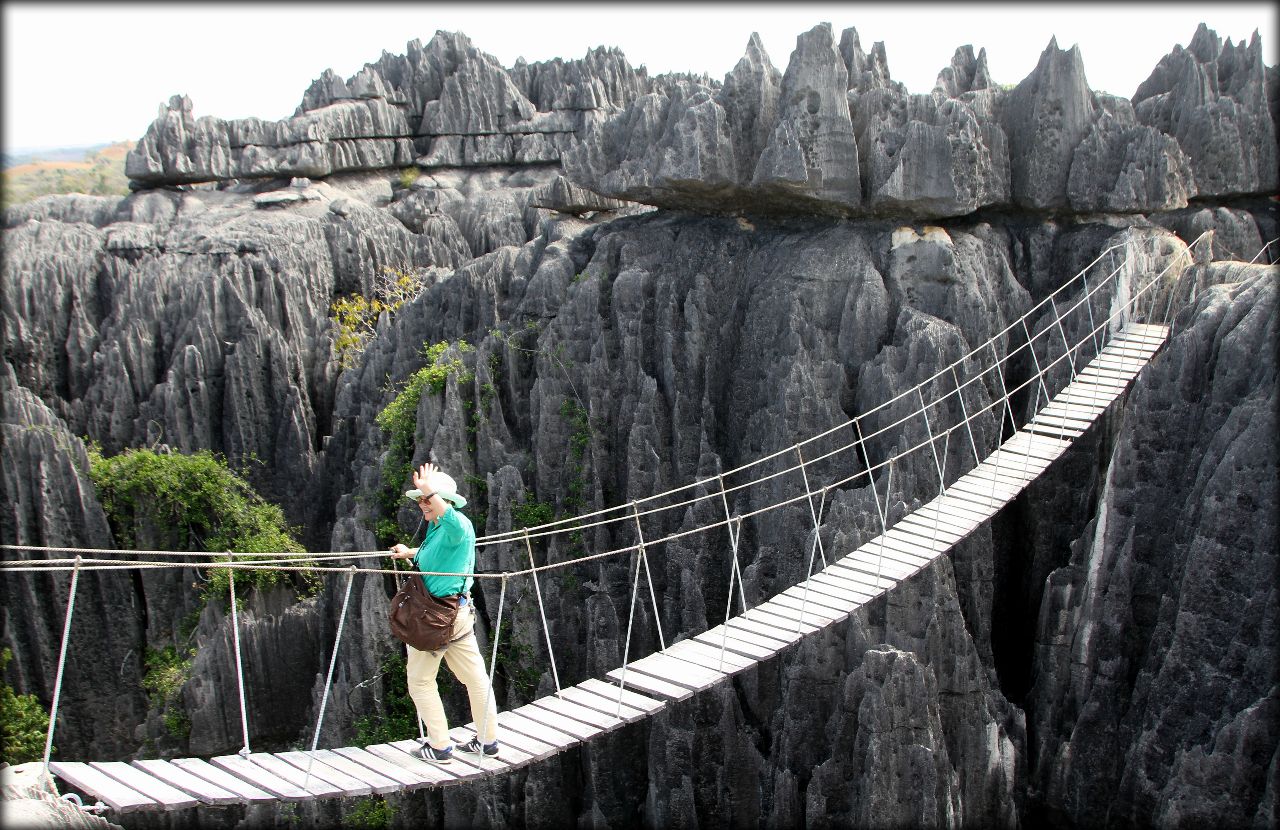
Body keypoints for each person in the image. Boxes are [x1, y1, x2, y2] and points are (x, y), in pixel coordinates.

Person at [390, 461, 499, 763]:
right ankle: (487, 742)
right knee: (475, 678)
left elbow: (453, 524)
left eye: (428, 499)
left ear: (445, 501)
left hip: (434, 618)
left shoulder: (456, 525)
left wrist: (429, 490)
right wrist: (410, 553)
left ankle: (439, 747)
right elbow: (440, 556)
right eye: (420, 500)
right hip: (457, 615)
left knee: (421, 681)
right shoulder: (438, 529)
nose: (423, 504)